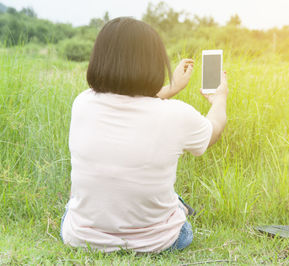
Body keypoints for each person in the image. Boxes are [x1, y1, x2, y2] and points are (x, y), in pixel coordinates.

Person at [60, 17, 228, 253]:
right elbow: (214, 129)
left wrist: (172, 89)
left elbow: (130, 102)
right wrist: (220, 98)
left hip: (81, 238)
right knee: (176, 210)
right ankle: (177, 206)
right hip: (158, 242)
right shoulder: (175, 115)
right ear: (154, 61)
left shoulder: (83, 103)